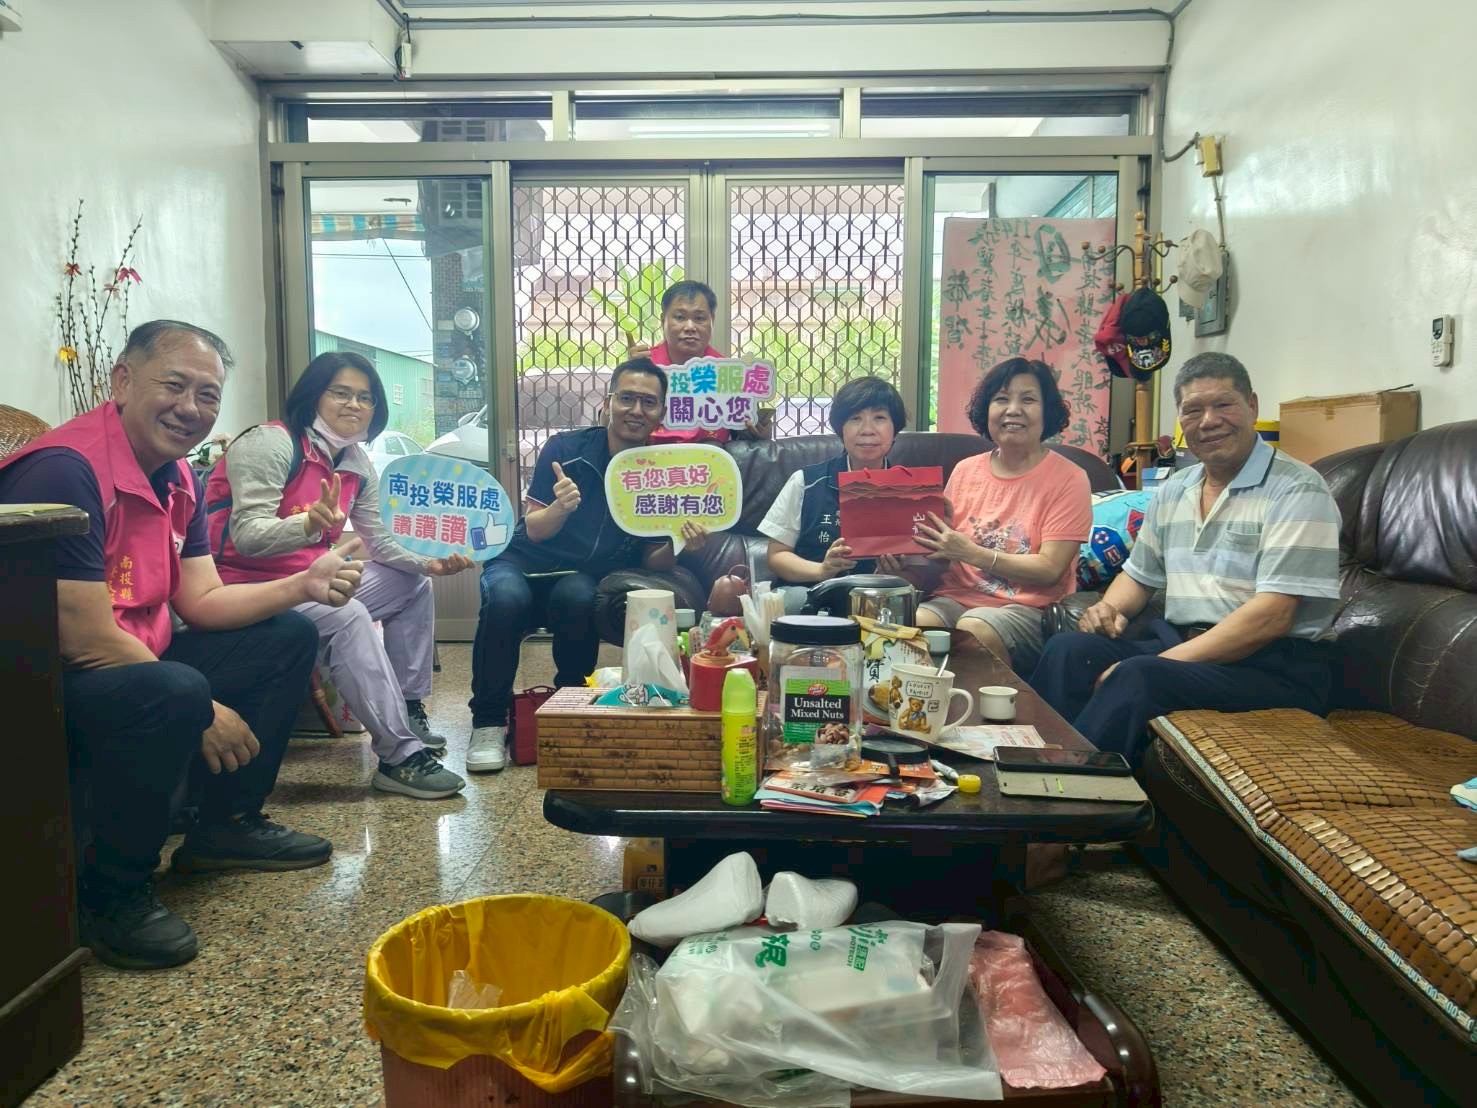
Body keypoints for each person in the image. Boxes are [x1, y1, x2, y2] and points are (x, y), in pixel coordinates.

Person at [0, 320, 361, 970]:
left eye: (208, 395)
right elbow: (83, 638)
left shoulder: (176, 480)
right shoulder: (66, 470)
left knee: (288, 635)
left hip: (132, 663)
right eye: (174, 385)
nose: (190, 408)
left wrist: (304, 585)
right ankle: (110, 895)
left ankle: (226, 827)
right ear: (122, 381)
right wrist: (203, 711)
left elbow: (203, 600)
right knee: (176, 688)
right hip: (44, 681)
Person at [1028, 352, 1343, 765]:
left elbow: (1273, 616)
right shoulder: (1176, 489)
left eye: (1223, 404)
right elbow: (1138, 577)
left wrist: (1152, 663)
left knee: (1139, 675)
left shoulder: (1297, 489)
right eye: (1193, 410)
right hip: (1183, 643)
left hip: (1273, 665)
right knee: (1069, 650)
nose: (1208, 421)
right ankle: (1027, 763)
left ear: (1252, 406)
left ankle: (1071, 791)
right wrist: (1109, 609)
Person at [205, 351, 471, 800]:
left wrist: (428, 563)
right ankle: (399, 758)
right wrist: (307, 525)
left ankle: (408, 708)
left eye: (365, 398)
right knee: (347, 616)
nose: (354, 405)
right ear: (313, 396)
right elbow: (246, 536)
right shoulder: (270, 444)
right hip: (248, 590)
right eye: (341, 393)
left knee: (412, 585)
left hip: (313, 581)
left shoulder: (355, 461)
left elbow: (379, 540)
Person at [467, 357, 706, 772]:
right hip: (521, 561)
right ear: (608, 402)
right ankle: (487, 721)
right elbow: (534, 529)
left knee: (580, 596)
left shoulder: (660, 472)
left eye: (648, 402)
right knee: (505, 597)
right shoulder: (565, 450)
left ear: (662, 413)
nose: (636, 410)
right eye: (626, 398)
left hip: (576, 576)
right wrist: (560, 508)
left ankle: (569, 706)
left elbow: (653, 558)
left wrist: (681, 542)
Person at [913, 358, 1092, 674]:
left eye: (1028, 399)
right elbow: (945, 554)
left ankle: (1010, 706)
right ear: (986, 411)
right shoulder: (965, 471)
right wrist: (915, 554)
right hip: (955, 598)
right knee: (916, 623)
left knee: (974, 627)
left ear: (1047, 412)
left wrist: (972, 553)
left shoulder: (1070, 479)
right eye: (1001, 399)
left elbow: (1050, 569)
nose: (1013, 410)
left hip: (1028, 608)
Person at [759, 375, 923, 586]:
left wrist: (896, 576)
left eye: (879, 418)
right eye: (855, 418)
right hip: (809, 593)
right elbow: (777, 555)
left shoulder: (912, 493)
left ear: (894, 430)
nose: (867, 430)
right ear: (840, 430)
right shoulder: (805, 482)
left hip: (878, 597)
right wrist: (822, 570)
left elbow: (920, 576)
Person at [628, 280, 772, 444]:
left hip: (712, 458)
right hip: (650, 458)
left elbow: (747, 436)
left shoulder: (729, 373)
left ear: (712, 320)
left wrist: (759, 432)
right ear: (663, 321)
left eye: (699, 318)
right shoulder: (643, 366)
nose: (690, 327)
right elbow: (612, 426)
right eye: (680, 317)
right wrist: (630, 376)